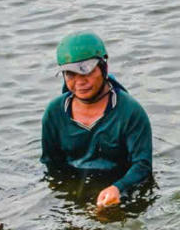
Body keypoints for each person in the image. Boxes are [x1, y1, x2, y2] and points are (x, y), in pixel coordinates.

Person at [41, 31, 153, 208]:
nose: (80, 82)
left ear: (103, 67)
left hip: (122, 188)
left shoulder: (130, 112)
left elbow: (143, 166)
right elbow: (51, 164)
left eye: (86, 72)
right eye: (71, 74)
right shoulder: (54, 113)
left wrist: (118, 188)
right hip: (74, 188)